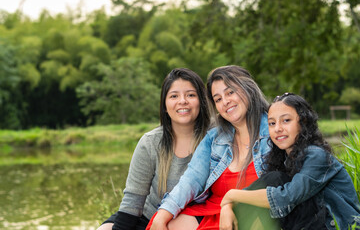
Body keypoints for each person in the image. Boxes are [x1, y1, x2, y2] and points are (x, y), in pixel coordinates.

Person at [147, 65, 271, 230]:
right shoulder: (215, 138)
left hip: (253, 211)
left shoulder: (275, 130)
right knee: (164, 223)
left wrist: (231, 202)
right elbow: (192, 179)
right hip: (214, 210)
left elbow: (288, 183)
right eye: (218, 99)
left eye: (230, 92)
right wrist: (164, 212)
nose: (225, 102)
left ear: (248, 89)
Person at [221, 93, 360, 230]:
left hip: (339, 226)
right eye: (272, 123)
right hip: (311, 223)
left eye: (286, 120)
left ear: (303, 122)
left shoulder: (317, 156)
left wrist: (231, 195)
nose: (278, 128)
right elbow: (258, 193)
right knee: (272, 181)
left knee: (274, 180)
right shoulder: (283, 158)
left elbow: (286, 198)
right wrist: (228, 205)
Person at [97, 68, 211, 230]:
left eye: (191, 95)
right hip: (150, 214)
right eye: (174, 96)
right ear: (164, 105)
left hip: (195, 217)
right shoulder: (150, 142)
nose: (182, 101)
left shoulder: (215, 137)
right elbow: (133, 201)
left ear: (201, 100)